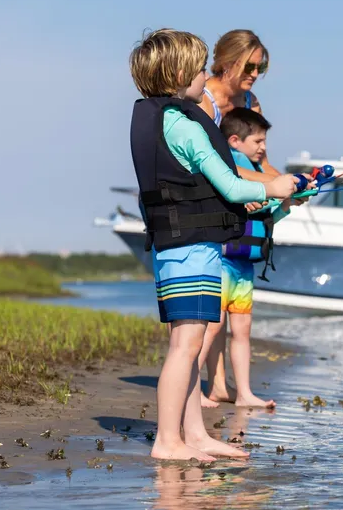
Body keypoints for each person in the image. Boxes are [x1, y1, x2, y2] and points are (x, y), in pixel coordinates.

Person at [128, 28, 312, 462]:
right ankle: (167, 440)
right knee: (185, 348)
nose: (203, 77)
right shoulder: (185, 126)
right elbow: (230, 185)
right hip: (190, 250)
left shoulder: (164, 120)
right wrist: (275, 186)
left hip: (181, 247)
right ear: (179, 76)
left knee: (189, 346)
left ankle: (194, 434)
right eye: (198, 70)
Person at [198, 107, 293, 409]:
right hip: (222, 262)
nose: (263, 148)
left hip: (244, 266)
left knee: (242, 331)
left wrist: (287, 204)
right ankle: (190, 389)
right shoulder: (233, 163)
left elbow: (266, 215)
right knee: (213, 326)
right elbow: (242, 193)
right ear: (235, 141)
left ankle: (244, 393)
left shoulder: (254, 168)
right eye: (258, 141)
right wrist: (274, 190)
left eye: (264, 141)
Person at [198, 29, 281, 178]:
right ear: (226, 63)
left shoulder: (251, 102)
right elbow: (210, 164)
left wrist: (295, 183)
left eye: (260, 68)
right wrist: (273, 183)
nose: (255, 74)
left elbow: (263, 165)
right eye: (249, 67)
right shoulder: (203, 99)